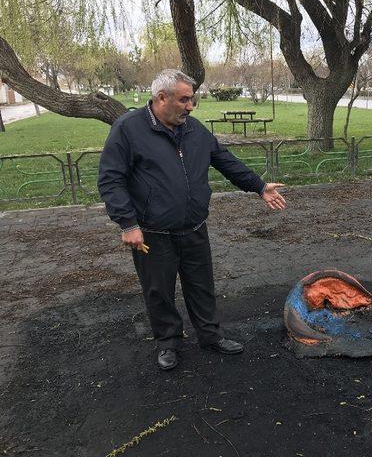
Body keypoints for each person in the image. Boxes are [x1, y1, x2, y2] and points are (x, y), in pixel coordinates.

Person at [98, 69, 286, 371]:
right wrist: (127, 223)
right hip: (151, 232)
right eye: (184, 100)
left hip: (193, 226)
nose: (191, 106)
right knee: (158, 290)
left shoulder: (194, 130)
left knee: (201, 285)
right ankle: (168, 343)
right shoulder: (128, 130)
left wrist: (259, 186)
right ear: (162, 98)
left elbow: (225, 161)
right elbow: (111, 179)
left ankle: (210, 336)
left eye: (192, 99)